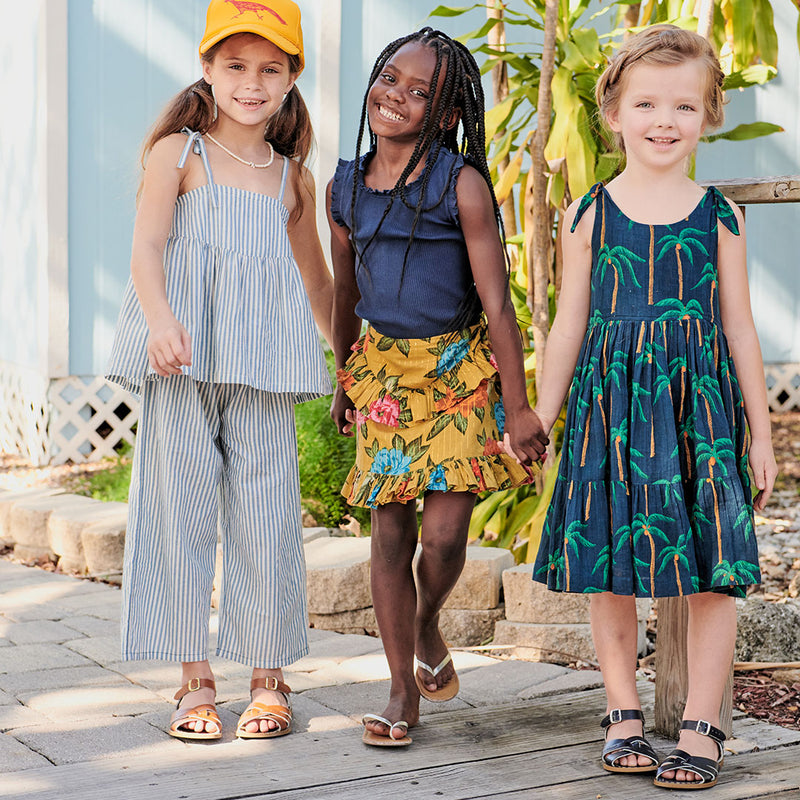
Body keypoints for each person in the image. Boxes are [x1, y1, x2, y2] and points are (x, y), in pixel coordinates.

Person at [531, 24, 777, 789]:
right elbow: (568, 325)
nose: (664, 121)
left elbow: (740, 328)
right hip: (610, 414)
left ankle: (703, 725)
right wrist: (541, 417)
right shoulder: (587, 215)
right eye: (646, 104)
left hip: (700, 417)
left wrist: (762, 435)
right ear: (613, 112)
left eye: (683, 106)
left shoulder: (721, 217)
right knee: (610, 564)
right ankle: (622, 712)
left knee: (709, 569)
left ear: (708, 116)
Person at [105, 0, 333, 741]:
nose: (251, 83)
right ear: (207, 68)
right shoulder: (179, 153)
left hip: (262, 367)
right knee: (178, 511)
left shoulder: (293, 178)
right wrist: (161, 320)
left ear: (292, 79)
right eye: (235, 65)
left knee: (268, 514)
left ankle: (269, 675)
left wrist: (351, 360)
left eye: (270, 68)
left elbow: (317, 281)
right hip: (182, 359)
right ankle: (193, 678)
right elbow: (146, 247)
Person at [327, 27, 548, 747]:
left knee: (446, 537)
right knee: (390, 530)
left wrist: (518, 406)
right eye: (389, 77)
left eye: (419, 91)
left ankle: (425, 621)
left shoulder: (461, 185)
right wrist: (344, 377)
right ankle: (401, 690)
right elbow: (346, 292)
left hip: (457, 373)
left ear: (448, 114)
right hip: (383, 375)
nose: (395, 95)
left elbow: (497, 303)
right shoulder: (344, 188)